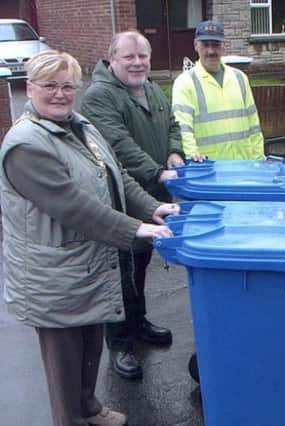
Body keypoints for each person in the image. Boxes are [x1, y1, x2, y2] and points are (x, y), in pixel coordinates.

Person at [0, 50, 179, 426]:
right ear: (29, 88)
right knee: (63, 357)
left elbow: (117, 176)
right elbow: (73, 207)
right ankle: (70, 419)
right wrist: (134, 229)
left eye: (68, 86)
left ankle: (89, 407)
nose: (60, 94)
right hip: (52, 272)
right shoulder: (25, 145)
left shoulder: (81, 126)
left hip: (85, 262)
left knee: (90, 340)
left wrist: (151, 208)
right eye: (49, 85)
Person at [80, 31, 185, 380]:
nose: (138, 62)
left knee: (139, 264)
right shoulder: (98, 96)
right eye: (129, 57)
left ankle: (138, 324)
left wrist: (174, 151)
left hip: (152, 196)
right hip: (121, 198)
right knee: (120, 272)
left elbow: (172, 124)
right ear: (112, 59)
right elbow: (118, 145)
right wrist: (157, 172)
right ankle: (120, 342)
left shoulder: (152, 88)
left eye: (143, 55)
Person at [172, 20, 265, 161]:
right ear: (196, 45)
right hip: (210, 170)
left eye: (215, 44)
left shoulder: (240, 78)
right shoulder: (184, 83)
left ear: (223, 46)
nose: (211, 51)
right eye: (205, 45)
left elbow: (253, 125)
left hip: (244, 166)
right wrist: (193, 159)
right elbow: (183, 129)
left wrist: (259, 160)